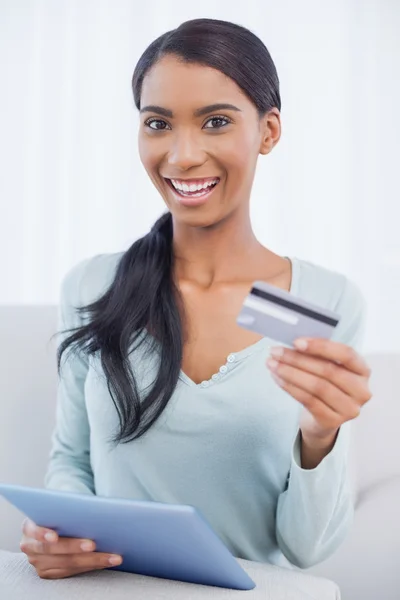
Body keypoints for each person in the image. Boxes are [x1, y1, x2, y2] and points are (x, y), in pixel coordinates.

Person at [20, 18, 372, 581]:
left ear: (269, 131)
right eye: (158, 123)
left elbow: (307, 550)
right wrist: (54, 532)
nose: (182, 156)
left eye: (215, 122)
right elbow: (71, 463)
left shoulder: (321, 301)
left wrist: (320, 436)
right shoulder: (93, 286)